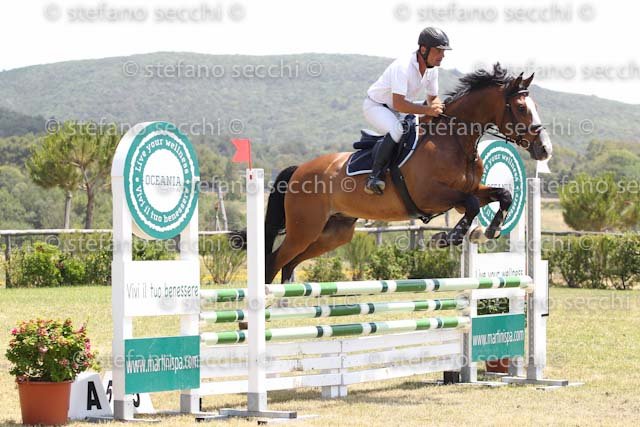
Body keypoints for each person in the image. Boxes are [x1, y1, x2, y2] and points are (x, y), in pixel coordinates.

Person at [363, 27, 451, 195]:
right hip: (376, 106)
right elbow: (399, 104)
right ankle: (374, 177)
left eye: (444, 51)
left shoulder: (432, 70)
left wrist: (439, 109)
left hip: (401, 107)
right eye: (439, 50)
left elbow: (432, 98)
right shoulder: (403, 66)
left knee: (426, 123)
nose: (443, 55)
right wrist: (428, 110)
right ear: (423, 49)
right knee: (398, 130)